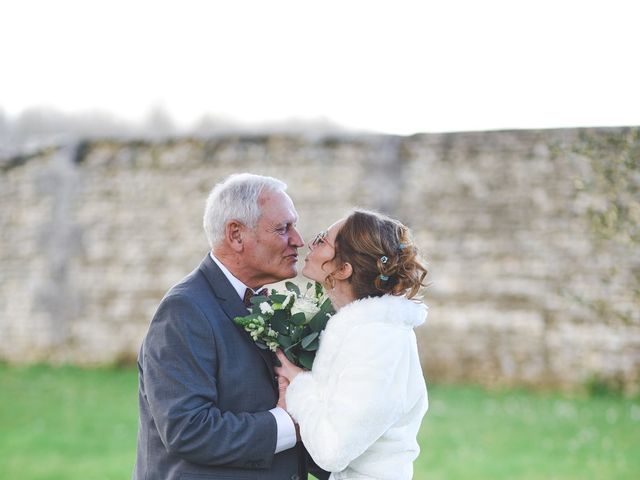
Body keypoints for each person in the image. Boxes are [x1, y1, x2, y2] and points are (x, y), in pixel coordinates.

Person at [133, 173, 329, 480]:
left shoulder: (265, 302)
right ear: (236, 235)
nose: (298, 240)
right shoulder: (185, 310)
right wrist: (288, 424)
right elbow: (188, 429)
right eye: (283, 228)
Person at [275, 209, 429, 480]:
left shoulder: (377, 341)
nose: (311, 243)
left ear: (344, 269)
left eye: (323, 239)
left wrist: (299, 384)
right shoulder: (365, 332)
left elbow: (332, 449)